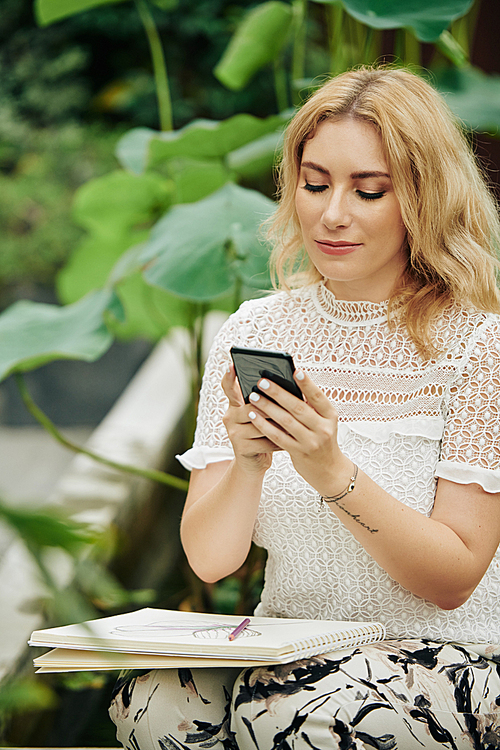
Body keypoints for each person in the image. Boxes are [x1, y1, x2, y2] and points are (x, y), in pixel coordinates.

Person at [109, 66, 500, 749]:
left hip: (446, 656)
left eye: (368, 190)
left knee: (296, 713)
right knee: (152, 701)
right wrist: (250, 461)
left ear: (424, 197)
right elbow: (209, 559)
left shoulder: (479, 344)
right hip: (287, 648)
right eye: (315, 183)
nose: (332, 213)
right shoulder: (253, 333)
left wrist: (331, 472)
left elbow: (453, 579)